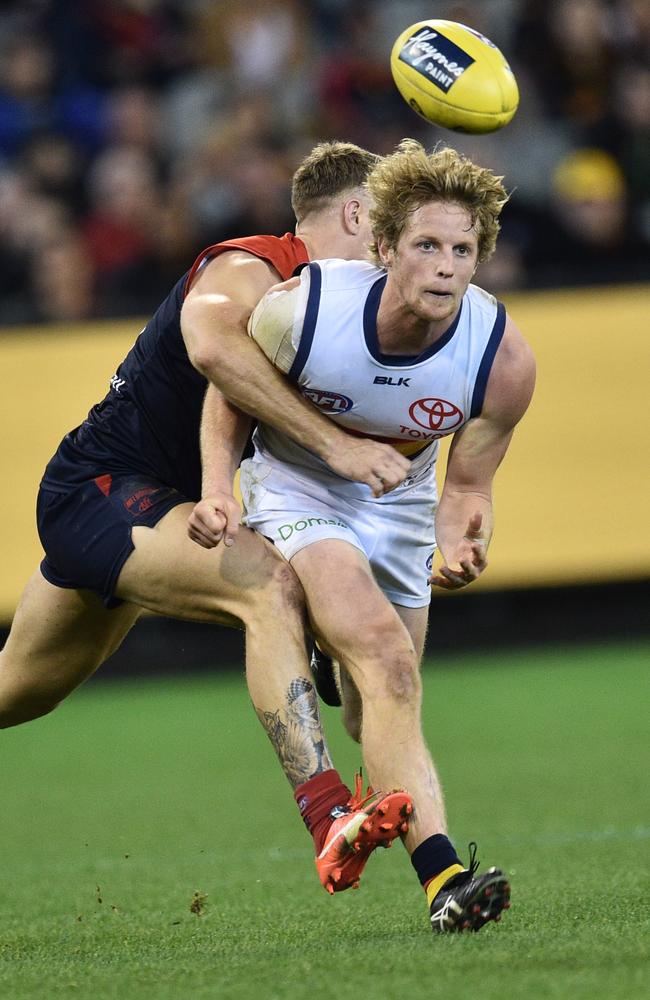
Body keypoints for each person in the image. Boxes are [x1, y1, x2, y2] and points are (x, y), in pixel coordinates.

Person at [0, 142, 415, 895]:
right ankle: (328, 819)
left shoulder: (344, 310)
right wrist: (337, 447)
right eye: (386, 229)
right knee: (270, 588)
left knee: (17, 693)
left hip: (164, 509)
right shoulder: (253, 264)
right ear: (355, 213)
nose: (392, 252)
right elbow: (210, 341)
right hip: (100, 488)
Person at [221, 139, 536, 933]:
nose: (445, 266)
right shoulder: (309, 306)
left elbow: (467, 485)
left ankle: (338, 655)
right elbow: (229, 388)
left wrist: (463, 540)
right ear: (385, 245)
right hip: (296, 484)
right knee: (388, 655)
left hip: (397, 502)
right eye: (427, 245)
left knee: (377, 707)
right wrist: (208, 487)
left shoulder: (499, 359)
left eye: (463, 250)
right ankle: (445, 882)